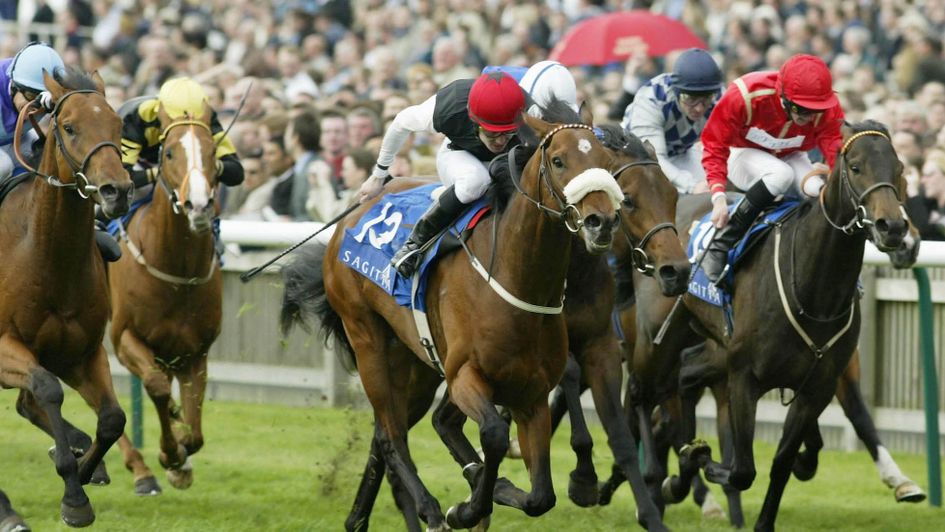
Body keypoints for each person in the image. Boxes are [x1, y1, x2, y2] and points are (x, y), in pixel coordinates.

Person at [358, 71, 526, 278]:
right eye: (492, 133)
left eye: (508, 132)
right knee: (476, 182)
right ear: (473, 120)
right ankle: (416, 243)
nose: (500, 141)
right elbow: (400, 123)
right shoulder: (449, 107)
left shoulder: (531, 112)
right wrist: (378, 175)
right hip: (459, 153)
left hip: (508, 159)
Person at [699, 54, 844, 284]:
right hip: (742, 154)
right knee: (781, 175)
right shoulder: (744, 95)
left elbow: (834, 145)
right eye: (802, 109)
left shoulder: (826, 107)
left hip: (791, 155)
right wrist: (718, 196)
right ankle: (721, 243)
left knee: (818, 190)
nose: (809, 117)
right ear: (783, 97)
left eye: (815, 110)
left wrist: (835, 175)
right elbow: (714, 144)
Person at [118, 77, 243, 201]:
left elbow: (236, 173)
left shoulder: (206, 116)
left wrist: (207, 165)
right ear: (161, 109)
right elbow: (121, 177)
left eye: (193, 119)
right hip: (140, 163)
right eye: (176, 119)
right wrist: (163, 171)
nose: (187, 126)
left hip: (183, 168)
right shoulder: (135, 117)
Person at [621, 48, 723, 194]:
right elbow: (654, 159)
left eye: (706, 98)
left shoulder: (719, 96)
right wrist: (691, 186)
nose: (699, 108)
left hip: (680, 152)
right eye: (690, 99)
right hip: (636, 159)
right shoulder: (652, 99)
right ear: (676, 92)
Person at [0, 42, 62, 182]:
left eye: (40, 100)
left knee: (42, 152)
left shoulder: (25, 81)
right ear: (14, 86)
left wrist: (56, 100)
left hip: (7, 139)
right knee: (3, 166)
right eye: (30, 96)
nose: (34, 108)